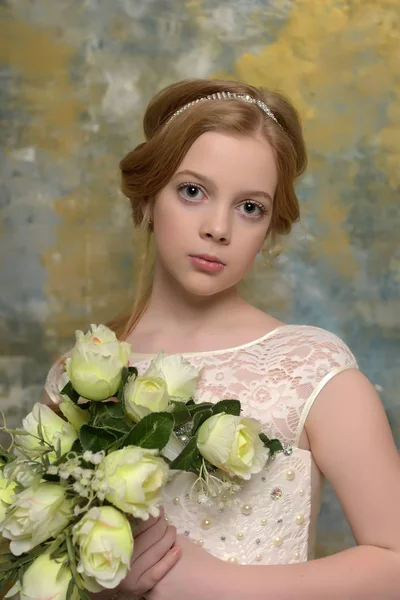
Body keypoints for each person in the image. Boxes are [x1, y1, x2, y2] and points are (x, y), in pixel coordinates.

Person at [44, 79, 400, 599]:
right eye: (193, 191)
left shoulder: (311, 371)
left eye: (249, 207)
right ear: (147, 198)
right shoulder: (77, 378)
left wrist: (221, 585)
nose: (218, 228)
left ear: (270, 228)